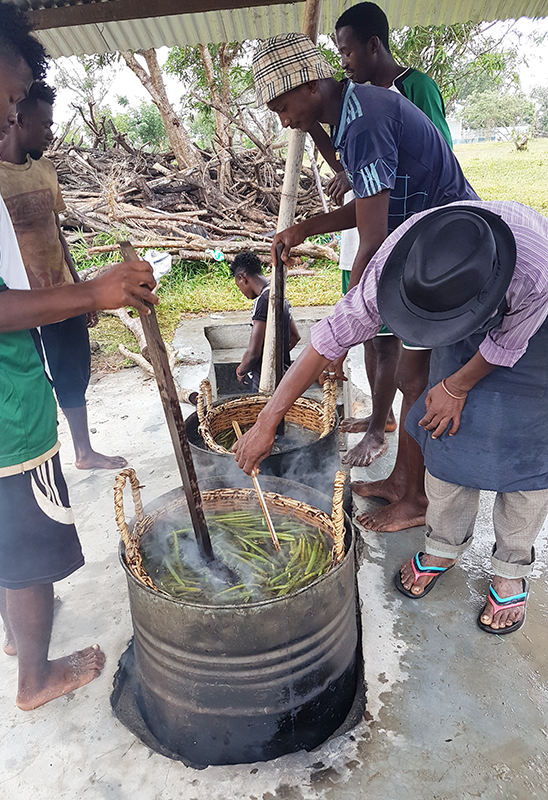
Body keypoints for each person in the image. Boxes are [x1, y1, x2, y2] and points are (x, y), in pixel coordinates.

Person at [0, 0, 158, 710]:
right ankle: (37, 676)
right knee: (29, 550)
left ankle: (16, 636)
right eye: (9, 96)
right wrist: (93, 296)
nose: (11, 115)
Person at [235, 199, 548, 635]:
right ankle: (442, 546)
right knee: (444, 433)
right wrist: (268, 419)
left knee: (528, 453)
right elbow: (330, 336)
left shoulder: (536, 269)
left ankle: (511, 565)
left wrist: (456, 386)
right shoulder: (399, 265)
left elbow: (507, 344)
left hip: (537, 332)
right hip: (464, 305)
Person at [251, 33, 478, 531]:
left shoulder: (367, 119)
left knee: (415, 378)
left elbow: (372, 243)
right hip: (424, 243)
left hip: (445, 248)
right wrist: (305, 227)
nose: (283, 120)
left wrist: (346, 324)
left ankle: (416, 499)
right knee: (408, 376)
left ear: (310, 86)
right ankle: (402, 482)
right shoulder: (354, 113)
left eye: (283, 106)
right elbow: (367, 201)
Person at [310, 2, 453, 471]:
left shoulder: (414, 89)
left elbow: (433, 158)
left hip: (423, 235)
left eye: (347, 51)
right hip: (386, 229)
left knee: (406, 356)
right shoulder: (356, 106)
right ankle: (381, 421)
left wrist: (344, 323)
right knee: (377, 334)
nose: (344, 61)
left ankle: (406, 474)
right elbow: (354, 171)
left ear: (374, 45)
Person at [0, 81, 127, 471]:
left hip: (61, 293)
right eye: (45, 124)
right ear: (20, 119)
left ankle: (84, 452)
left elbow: (55, 230)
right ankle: (38, 453)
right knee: (28, 377)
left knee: (73, 370)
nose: (50, 132)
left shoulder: (45, 169)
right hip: (18, 300)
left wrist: (81, 289)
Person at [230, 251, 300, 392]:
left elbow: (253, 353)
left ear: (242, 278)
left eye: (239, 286)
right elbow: (295, 337)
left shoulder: (262, 301)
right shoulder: (279, 295)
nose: (241, 292)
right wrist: (276, 359)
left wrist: (240, 371)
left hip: (263, 379)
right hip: (282, 375)